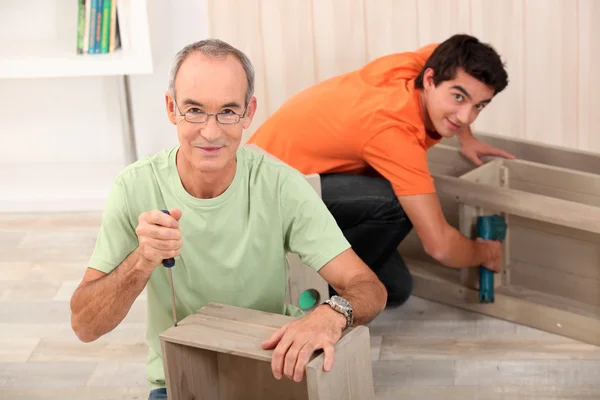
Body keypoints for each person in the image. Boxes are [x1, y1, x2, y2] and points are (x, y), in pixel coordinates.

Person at [69, 39, 387, 399]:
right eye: (194, 110)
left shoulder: (280, 185)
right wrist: (142, 260)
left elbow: (369, 288)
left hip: (271, 369)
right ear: (171, 108)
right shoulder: (134, 186)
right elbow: (85, 326)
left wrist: (332, 313)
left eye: (228, 111)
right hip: (180, 378)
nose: (211, 131)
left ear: (249, 113)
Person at [247, 34, 514, 307]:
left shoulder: (432, 63)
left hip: (296, 176)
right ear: (431, 79)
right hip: (264, 196)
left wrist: (466, 138)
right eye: (458, 98)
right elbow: (440, 247)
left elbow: (465, 88)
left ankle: (326, 269)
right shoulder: (393, 130)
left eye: (479, 106)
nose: (466, 116)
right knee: (394, 205)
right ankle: (301, 291)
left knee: (396, 289)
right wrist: (484, 253)